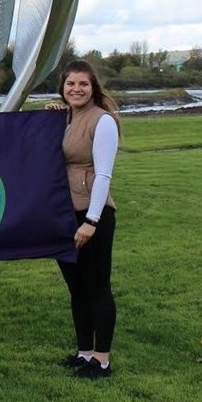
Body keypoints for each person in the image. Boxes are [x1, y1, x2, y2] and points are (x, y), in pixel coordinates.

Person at [47, 60, 120, 379]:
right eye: (70, 84)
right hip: (65, 211)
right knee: (76, 287)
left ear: (94, 88)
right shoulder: (64, 116)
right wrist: (50, 116)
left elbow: (103, 174)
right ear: (63, 87)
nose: (76, 89)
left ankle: (101, 360)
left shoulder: (102, 121)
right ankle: (84, 352)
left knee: (96, 286)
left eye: (83, 84)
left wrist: (91, 221)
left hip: (93, 214)